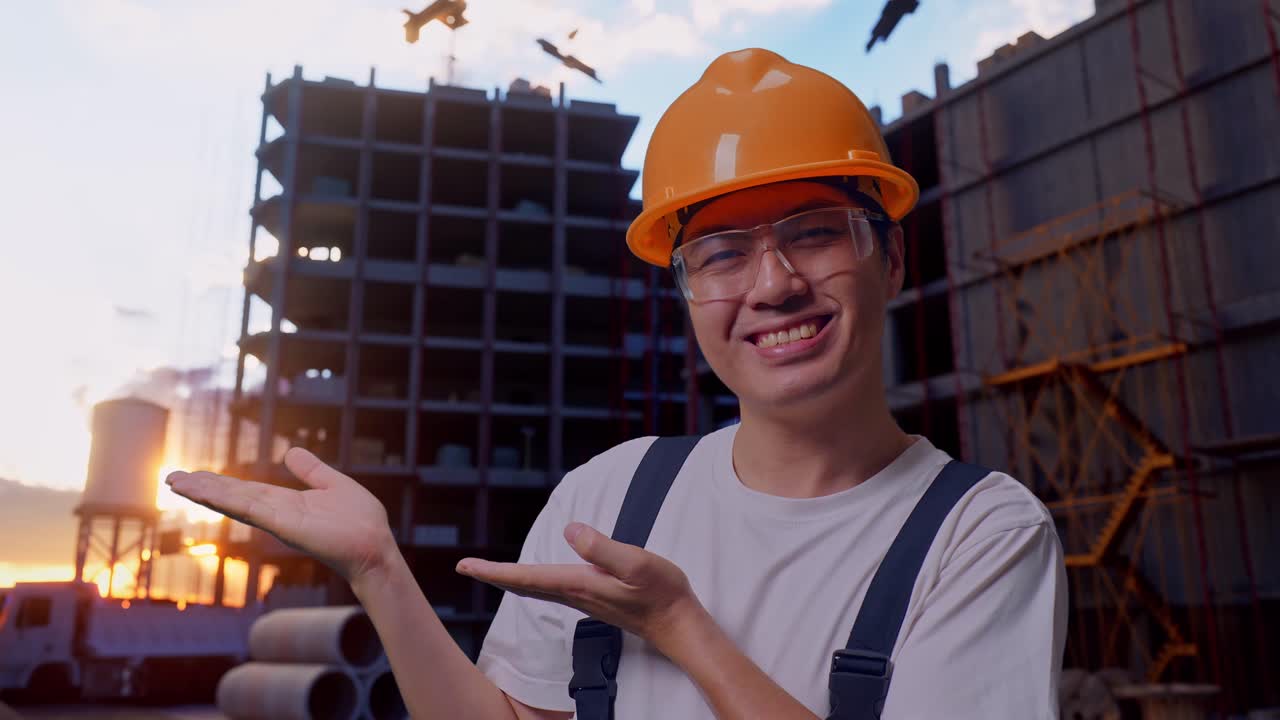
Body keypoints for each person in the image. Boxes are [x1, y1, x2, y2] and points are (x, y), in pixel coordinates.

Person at [168, 48, 1067, 719]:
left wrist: (683, 629)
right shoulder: (613, 496)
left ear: (892, 257)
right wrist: (379, 573)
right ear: (687, 293)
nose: (773, 284)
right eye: (722, 254)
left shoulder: (980, 534)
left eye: (816, 232)